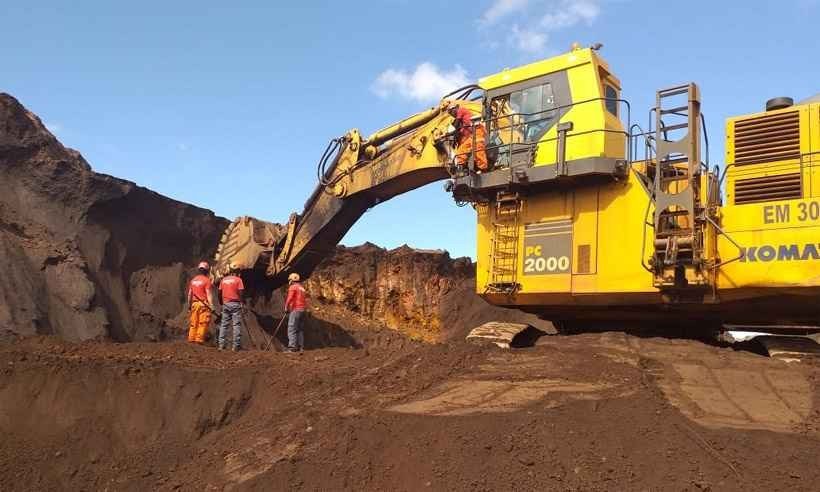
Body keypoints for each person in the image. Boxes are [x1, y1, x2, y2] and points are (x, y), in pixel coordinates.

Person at [448, 104, 488, 172]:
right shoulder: (464, 123)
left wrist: (450, 133)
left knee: (478, 149)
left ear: (456, 107)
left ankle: (483, 169)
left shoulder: (461, 110)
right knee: (461, 151)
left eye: (451, 111)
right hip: (472, 135)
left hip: (478, 130)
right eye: (449, 113)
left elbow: (456, 125)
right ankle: (461, 167)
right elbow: (460, 131)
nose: (451, 114)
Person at [218, 262, 245, 351]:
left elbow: (219, 292)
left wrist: (221, 302)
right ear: (237, 271)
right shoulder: (238, 280)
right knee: (236, 324)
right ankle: (235, 346)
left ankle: (221, 345)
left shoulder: (223, 280)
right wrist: (242, 303)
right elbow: (241, 292)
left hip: (226, 304)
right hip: (235, 304)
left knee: (224, 325)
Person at [187, 261, 214, 344]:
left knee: (193, 322)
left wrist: (189, 305)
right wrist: (212, 305)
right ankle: (199, 340)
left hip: (194, 304)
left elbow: (189, 294)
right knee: (202, 322)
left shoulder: (193, 280)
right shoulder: (206, 281)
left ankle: (191, 339)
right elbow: (209, 294)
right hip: (203, 304)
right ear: (207, 271)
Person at [285, 272, 307, 353]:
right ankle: (301, 347)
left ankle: (292, 347)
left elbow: (290, 298)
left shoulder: (293, 287)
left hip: (296, 310)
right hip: (303, 310)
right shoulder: (302, 288)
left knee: (292, 328)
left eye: (290, 280)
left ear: (292, 280)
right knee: (300, 329)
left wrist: (286, 307)